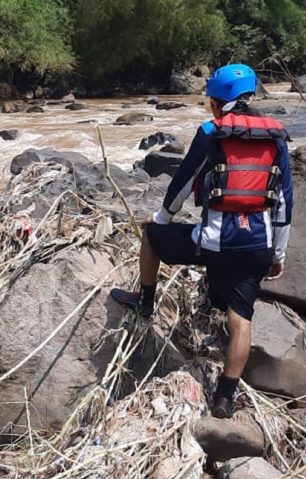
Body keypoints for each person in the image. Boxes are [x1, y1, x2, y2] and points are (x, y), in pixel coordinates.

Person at [111, 63, 293, 418]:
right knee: (241, 319)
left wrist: (160, 219)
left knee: (152, 236)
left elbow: (182, 182)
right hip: (258, 245)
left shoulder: (212, 131)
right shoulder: (277, 136)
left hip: (212, 242)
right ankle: (225, 398)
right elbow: (284, 202)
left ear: (216, 101)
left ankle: (145, 302)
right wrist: (278, 254)